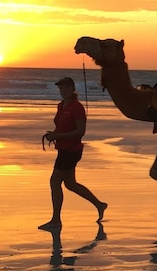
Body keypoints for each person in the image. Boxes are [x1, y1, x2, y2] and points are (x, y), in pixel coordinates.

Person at [39, 77, 107, 230]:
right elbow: (61, 127)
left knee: (54, 182)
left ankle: (56, 220)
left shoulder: (77, 107)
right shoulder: (61, 105)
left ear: (72, 89)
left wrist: (58, 136)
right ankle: (99, 204)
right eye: (61, 89)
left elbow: (80, 132)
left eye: (66, 88)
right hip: (63, 149)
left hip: (71, 150)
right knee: (70, 184)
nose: (63, 91)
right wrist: (53, 134)